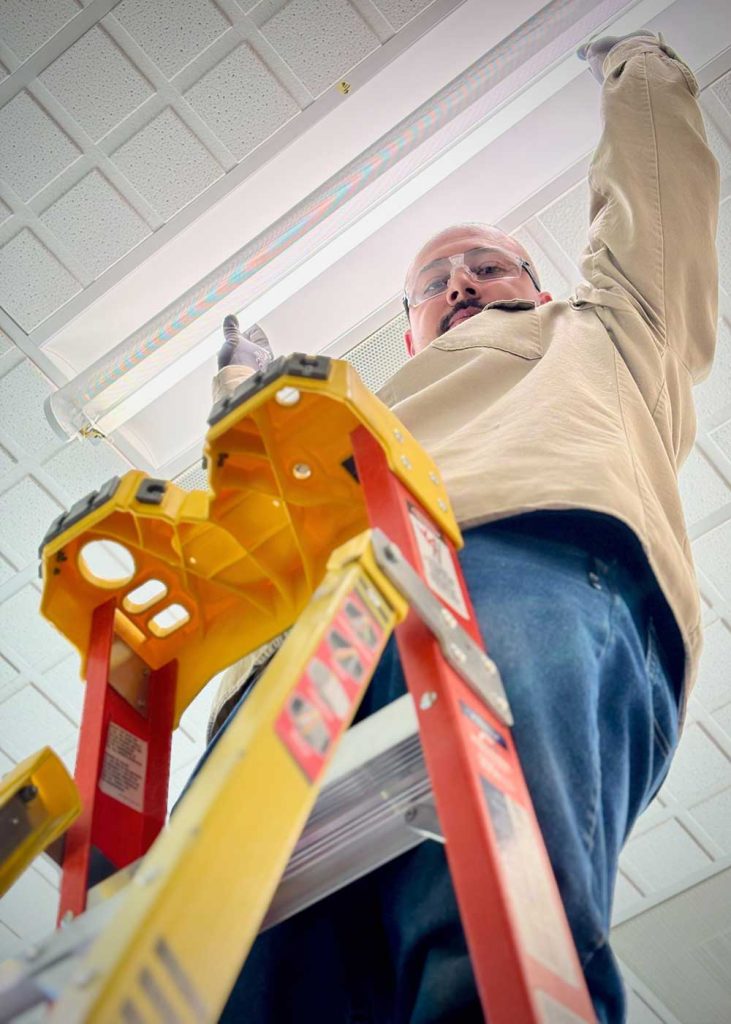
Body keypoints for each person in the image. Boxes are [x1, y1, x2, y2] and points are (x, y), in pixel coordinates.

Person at [191, 30, 720, 1023]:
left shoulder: (604, 333)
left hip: (526, 567)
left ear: (542, 286)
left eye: (487, 264)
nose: (462, 282)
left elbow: (661, 211)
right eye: (436, 280)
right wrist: (246, 394)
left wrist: (640, 66)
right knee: (236, 982)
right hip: (312, 636)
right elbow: (256, 521)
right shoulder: (359, 421)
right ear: (406, 330)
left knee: (490, 945)